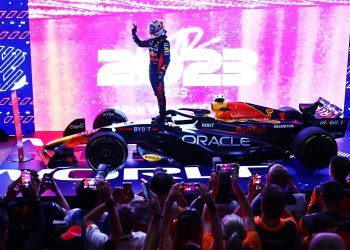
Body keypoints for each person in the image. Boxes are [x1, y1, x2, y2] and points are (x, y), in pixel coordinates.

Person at [132, 20, 170, 123]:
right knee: (157, 93)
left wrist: (161, 74)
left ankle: (162, 117)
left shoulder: (165, 43)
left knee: (160, 93)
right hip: (151, 70)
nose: (152, 32)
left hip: (158, 71)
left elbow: (167, 60)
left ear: (159, 30)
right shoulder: (152, 41)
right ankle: (162, 114)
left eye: (154, 30)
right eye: (151, 30)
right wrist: (134, 34)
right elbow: (140, 44)